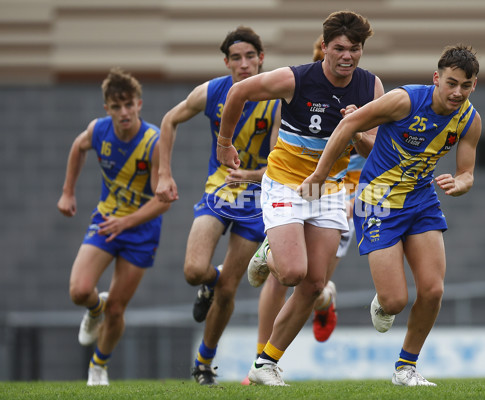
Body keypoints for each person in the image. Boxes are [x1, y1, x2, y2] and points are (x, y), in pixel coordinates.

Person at [298, 44, 482, 386]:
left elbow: (467, 172)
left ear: (474, 85)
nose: (457, 92)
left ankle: (405, 368)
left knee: (433, 290)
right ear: (436, 79)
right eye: (451, 83)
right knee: (395, 301)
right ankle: (385, 301)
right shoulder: (405, 100)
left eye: (466, 85)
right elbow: (349, 124)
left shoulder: (470, 120)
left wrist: (460, 183)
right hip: (376, 200)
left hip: (422, 199)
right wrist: (318, 176)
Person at [217, 11, 384, 386]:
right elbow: (238, 92)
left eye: (354, 49)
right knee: (292, 273)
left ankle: (265, 364)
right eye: (339, 48)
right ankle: (268, 253)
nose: (347, 56)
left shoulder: (371, 87)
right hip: (286, 185)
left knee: (313, 284)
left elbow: (375, 148)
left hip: (330, 189)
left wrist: (356, 129)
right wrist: (224, 143)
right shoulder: (297, 79)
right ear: (324, 47)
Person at [155, 26, 281, 386]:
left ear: (261, 59)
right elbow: (169, 120)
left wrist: (251, 176)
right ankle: (208, 283)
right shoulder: (211, 92)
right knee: (195, 270)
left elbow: (275, 164)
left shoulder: (276, 99)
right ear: (226, 62)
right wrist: (164, 174)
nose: (244, 64)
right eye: (236, 58)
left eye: (250, 57)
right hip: (218, 193)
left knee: (230, 289)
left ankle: (204, 364)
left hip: (256, 201)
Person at [57, 67, 170, 386]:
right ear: (107, 108)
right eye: (117, 107)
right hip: (107, 221)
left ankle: (98, 367)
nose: (124, 112)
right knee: (79, 291)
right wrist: (68, 191)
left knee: (118, 309)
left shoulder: (154, 142)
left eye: (129, 105)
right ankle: (95, 308)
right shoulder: (98, 130)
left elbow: (162, 200)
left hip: (140, 229)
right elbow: (78, 147)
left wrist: (127, 222)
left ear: (139, 104)